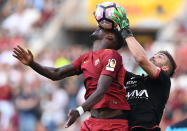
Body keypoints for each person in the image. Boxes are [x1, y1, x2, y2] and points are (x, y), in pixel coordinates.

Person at [12, 27, 130, 130]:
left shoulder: (112, 55)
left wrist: (79, 110)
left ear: (110, 36)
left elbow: (101, 90)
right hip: (93, 121)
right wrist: (32, 64)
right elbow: (56, 73)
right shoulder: (85, 58)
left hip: (113, 123)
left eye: (103, 28)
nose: (99, 26)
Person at [111, 7, 177, 131]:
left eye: (160, 57)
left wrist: (126, 31)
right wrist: (110, 36)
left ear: (165, 68)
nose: (153, 56)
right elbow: (113, 66)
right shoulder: (135, 79)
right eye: (155, 54)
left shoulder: (163, 80)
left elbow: (141, 59)